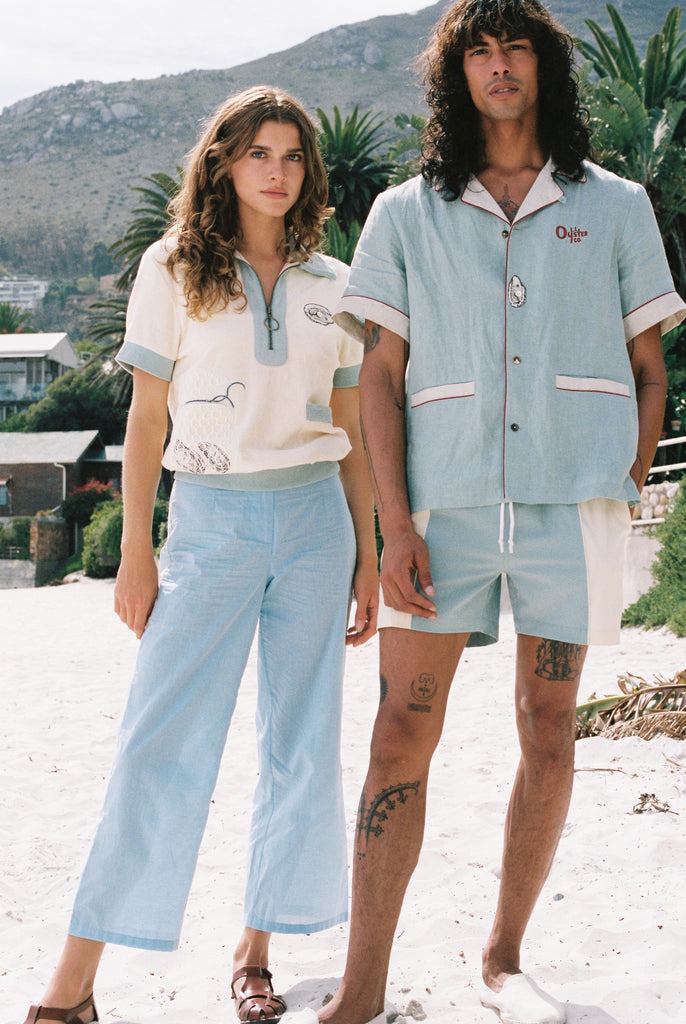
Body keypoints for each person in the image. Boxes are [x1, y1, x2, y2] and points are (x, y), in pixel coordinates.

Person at [308, 3, 686, 1024]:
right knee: (397, 735)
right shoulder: (403, 212)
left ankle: (502, 952)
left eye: (514, 44)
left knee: (547, 724)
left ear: (543, 66)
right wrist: (393, 523)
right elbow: (379, 376)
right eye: (476, 48)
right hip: (443, 507)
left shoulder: (611, 206)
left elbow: (649, 362)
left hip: (570, 506)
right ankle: (361, 989)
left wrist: (628, 465)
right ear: (454, 75)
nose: (497, 63)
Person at [22, 86, 378, 1024]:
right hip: (211, 527)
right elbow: (145, 420)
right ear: (223, 161)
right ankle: (75, 980)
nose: (277, 169)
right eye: (259, 152)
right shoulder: (174, 267)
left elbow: (351, 430)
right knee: (157, 745)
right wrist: (135, 550)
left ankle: (255, 953)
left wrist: (369, 558)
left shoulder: (331, 284)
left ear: (308, 172)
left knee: (299, 746)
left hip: (314, 529)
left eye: (293, 155)